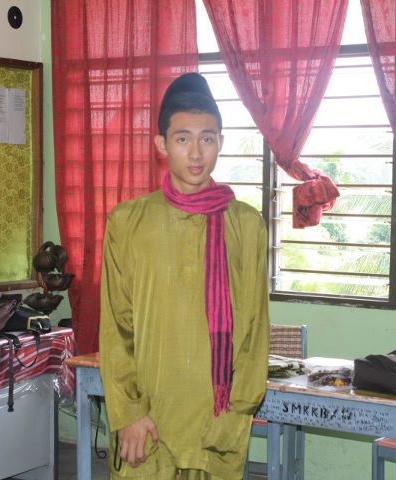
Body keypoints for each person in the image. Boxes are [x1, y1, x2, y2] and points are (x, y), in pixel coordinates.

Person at [99, 72, 270, 479]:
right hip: (149, 422)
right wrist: (129, 413)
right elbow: (116, 327)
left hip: (217, 420)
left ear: (220, 142)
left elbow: (255, 330)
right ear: (161, 144)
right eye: (182, 139)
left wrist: (238, 410)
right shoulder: (128, 221)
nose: (196, 153)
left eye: (206, 138)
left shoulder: (246, 225)